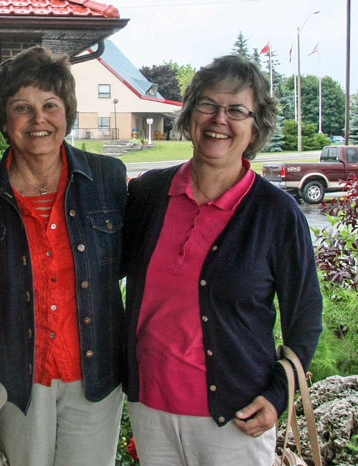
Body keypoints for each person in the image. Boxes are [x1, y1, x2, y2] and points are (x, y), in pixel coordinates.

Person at [123, 55, 323, 466]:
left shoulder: (276, 213)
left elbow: (306, 318)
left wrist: (277, 396)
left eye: (236, 110)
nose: (219, 119)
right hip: (150, 408)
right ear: (191, 112)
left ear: (255, 126)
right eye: (208, 105)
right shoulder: (148, 195)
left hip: (235, 418)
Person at [0, 46, 127, 466]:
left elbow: (132, 262)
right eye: (22, 108)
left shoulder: (108, 178)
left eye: (50, 105)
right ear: (5, 121)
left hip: (94, 373)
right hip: (19, 377)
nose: (38, 119)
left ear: (67, 112)